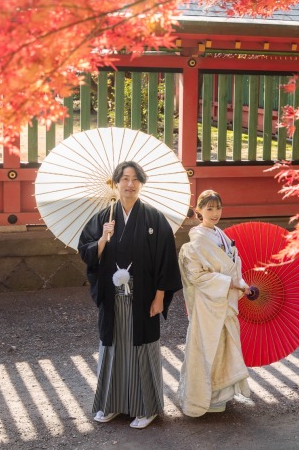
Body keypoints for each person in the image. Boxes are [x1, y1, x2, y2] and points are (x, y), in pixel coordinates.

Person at [78, 160, 182, 429]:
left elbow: (165, 259)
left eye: (135, 179)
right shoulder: (104, 218)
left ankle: (146, 407)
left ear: (141, 184)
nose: (130, 184)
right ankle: (111, 404)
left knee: (141, 350)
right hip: (113, 298)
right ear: (116, 183)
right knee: (113, 348)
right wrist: (103, 239)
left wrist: (160, 297)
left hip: (143, 296)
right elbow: (86, 253)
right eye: (124, 179)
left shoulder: (153, 218)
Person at [177, 189, 252, 416]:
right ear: (198, 211)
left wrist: (242, 284)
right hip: (207, 303)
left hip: (224, 298)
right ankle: (202, 399)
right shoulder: (196, 241)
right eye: (209, 208)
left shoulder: (220, 234)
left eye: (218, 207)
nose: (215, 212)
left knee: (224, 346)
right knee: (206, 346)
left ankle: (222, 394)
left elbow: (233, 265)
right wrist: (230, 283)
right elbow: (197, 277)